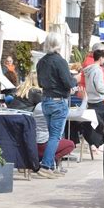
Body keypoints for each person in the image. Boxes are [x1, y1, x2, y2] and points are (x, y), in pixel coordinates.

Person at [36, 32, 77, 178]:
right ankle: (46, 166)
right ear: (59, 45)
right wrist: (75, 81)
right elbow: (67, 81)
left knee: (52, 135)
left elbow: (40, 82)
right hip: (58, 101)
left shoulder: (41, 61)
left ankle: (51, 166)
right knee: (55, 136)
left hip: (46, 99)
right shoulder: (60, 61)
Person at [84, 49, 104, 137]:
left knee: (95, 126)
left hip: (90, 101)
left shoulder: (88, 70)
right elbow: (100, 88)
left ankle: (96, 146)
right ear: (101, 58)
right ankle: (103, 144)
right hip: (99, 101)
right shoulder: (98, 70)